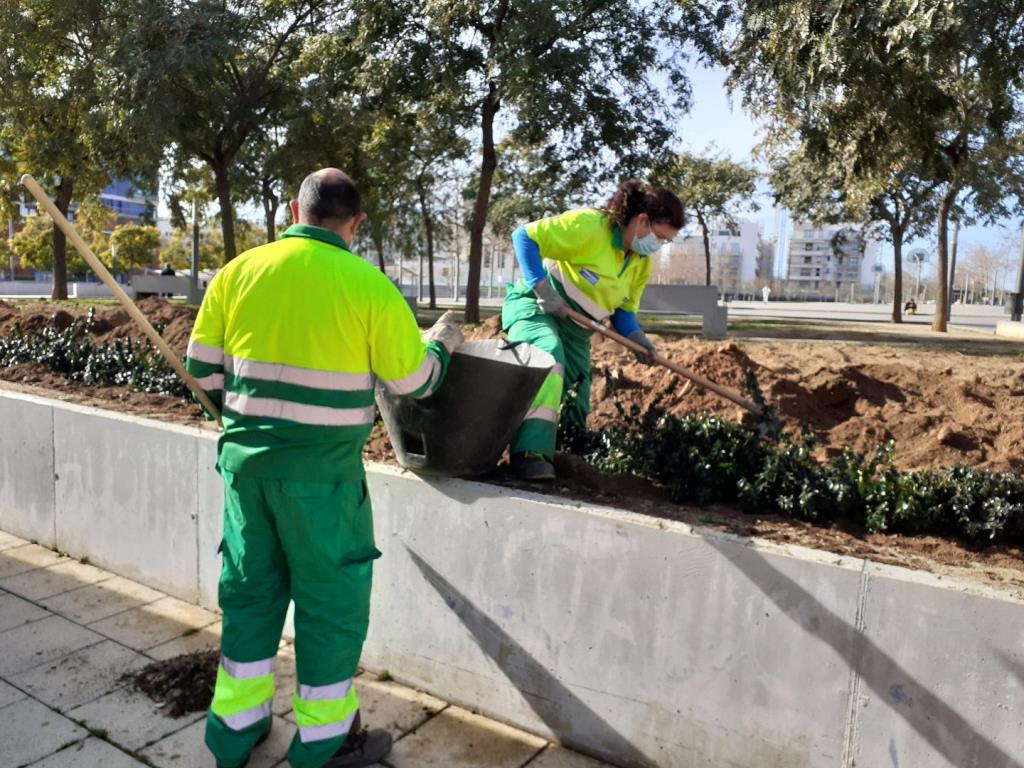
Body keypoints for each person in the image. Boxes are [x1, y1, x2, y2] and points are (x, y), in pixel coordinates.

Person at [185, 168, 463, 768]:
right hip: (325, 484)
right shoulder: (369, 286)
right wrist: (442, 342)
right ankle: (324, 745)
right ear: (356, 224)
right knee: (329, 609)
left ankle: (235, 734)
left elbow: (202, 377)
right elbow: (415, 383)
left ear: (294, 209)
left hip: (246, 476)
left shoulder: (236, 274)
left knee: (250, 596)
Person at [502, 179, 684, 481]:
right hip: (536, 307)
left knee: (578, 388)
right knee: (549, 357)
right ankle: (529, 455)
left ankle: (568, 453)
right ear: (642, 221)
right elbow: (524, 236)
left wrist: (636, 338)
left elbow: (623, 313)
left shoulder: (640, 263)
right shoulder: (590, 226)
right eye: (660, 237)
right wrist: (543, 288)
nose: (659, 246)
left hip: (577, 329)